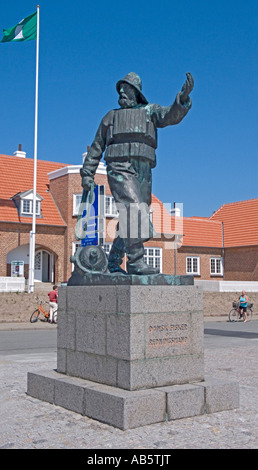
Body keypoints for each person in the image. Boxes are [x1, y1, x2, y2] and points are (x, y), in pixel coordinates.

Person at [80, 72, 194, 275]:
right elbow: (97, 146)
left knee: (134, 215)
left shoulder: (150, 111)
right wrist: (88, 173)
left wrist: (183, 99)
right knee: (134, 210)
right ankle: (136, 261)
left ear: (137, 93)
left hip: (144, 168)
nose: (122, 92)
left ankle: (114, 261)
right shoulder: (110, 116)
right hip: (119, 166)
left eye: (126, 88)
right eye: (120, 89)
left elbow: (170, 115)